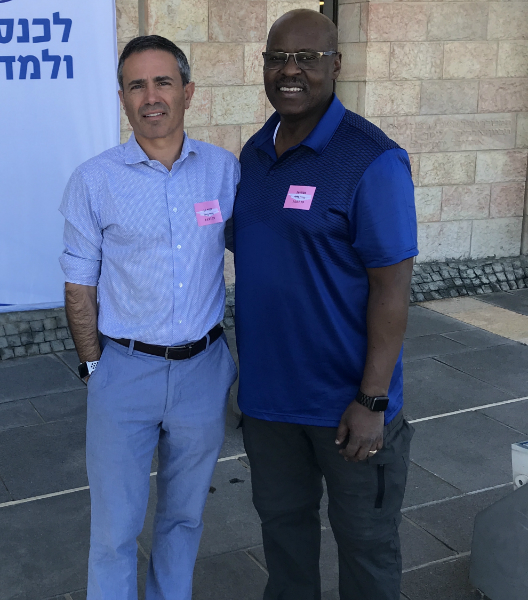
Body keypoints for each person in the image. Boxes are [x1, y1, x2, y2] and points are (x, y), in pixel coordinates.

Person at [232, 9, 418, 600]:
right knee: (284, 545)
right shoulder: (256, 153)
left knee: (366, 550)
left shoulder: (372, 160)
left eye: (307, 58)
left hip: (347, 408)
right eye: (277, 57)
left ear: (334, 65)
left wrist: (372, 398)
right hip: (270, 407)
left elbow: (392, 289)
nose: (290, 70)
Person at [59, 35, 239, 600]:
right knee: (115, 529)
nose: (151, 96)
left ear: (188, 92)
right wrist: (95, 369)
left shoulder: (224, 172)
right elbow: (78, 285)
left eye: (163, 82)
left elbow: (261, 262)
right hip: (124, 372)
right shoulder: (94, 180)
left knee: (184, 518)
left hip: (204, 372)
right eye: (137, 85)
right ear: (122, 98)